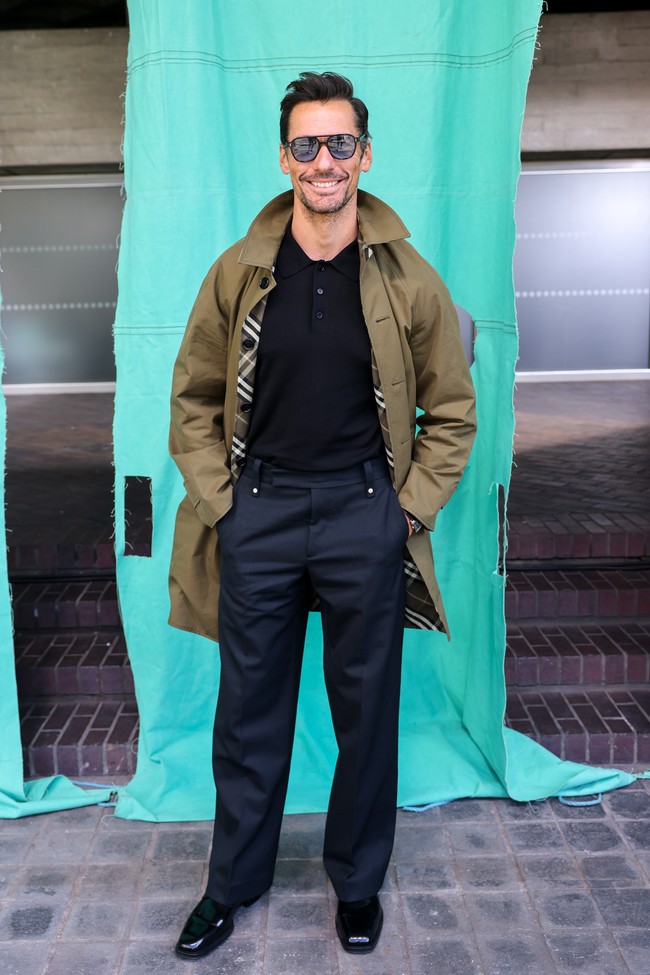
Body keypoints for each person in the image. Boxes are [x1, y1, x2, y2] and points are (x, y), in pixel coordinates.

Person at [168, 71, 476, 958]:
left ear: (365, 156)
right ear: (285, 157)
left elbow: (451, 413)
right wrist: (223, 505)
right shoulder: (240, 270)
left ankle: (356, 884)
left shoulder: (408, 278)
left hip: (361, 513)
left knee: (366, 712)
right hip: (257, 510)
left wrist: (403, 511)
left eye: (340, 143)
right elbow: (191, 399)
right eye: (307, 145)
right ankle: (230, 885)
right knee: (247, 712)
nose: (325, 161)